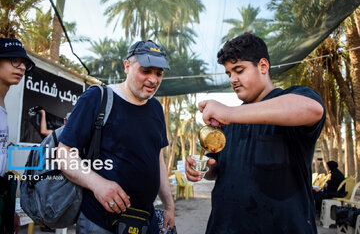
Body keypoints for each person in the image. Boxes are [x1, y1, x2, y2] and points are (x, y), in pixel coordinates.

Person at [185, 33, 326, 234]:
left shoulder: (291, 99)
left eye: (239, 70)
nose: (233, 79)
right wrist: (203, 168)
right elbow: (217, 168)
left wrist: (229, 112)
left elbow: (313, 109)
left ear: (263, 66)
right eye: (228, 74)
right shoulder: (231, 121)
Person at [57, 40, 175, 234]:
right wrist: (98, 184)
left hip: (145, 220)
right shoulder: (97, 98)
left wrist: (169, 206)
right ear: (127, 66)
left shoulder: (156, 108)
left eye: (159, 73)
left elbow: (158, 160)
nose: (153, 80)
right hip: (99, 222)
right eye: (146, 71)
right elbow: (64, 154)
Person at [0, 37, 35, 233]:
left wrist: (8, 210)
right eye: (14, 60)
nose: (21, 67)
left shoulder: (3, 106)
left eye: (24, 64)